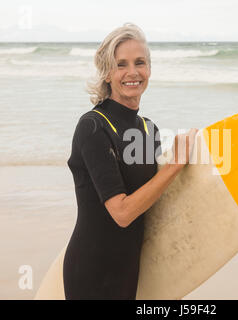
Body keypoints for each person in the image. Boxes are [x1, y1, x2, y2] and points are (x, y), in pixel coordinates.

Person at [63, 23, 198, 300]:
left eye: (140, 62)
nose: (133, 72)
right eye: (121, 64)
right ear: (107, 73)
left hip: (130, 270)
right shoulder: (93, 127)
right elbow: (122, 213)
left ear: (149, 68)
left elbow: (155, 200)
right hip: (91, 271)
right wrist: (175, 165)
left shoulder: (149, 129)